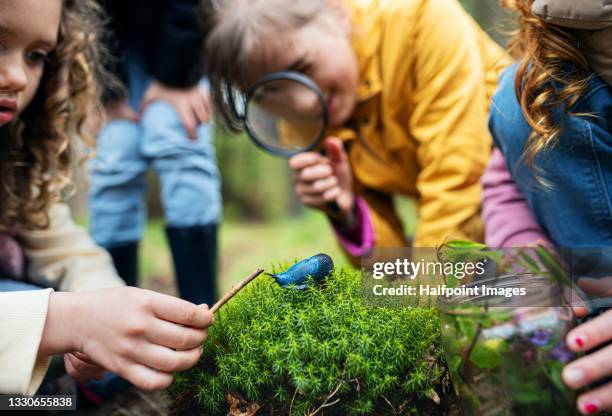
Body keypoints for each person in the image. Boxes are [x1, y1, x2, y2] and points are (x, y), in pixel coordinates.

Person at [0, 0, 212, 395]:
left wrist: (105, 305)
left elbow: (61, 245)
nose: (17, 76)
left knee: (74, 386)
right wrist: (69, 322)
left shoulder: (14, 156)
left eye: (36, 56)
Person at [202, 0, 511, 265]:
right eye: (268, 93)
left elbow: (459, 181)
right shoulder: (301, 125)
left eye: (302, 68)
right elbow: (392, 264)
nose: (305, 102)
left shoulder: (420, 19)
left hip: (539, 184)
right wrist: (348, 215)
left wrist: (426, 303)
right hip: (477, 229)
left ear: (336, 12)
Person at [481, 0, 612, 413]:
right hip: (586, 306)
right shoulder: (539, 76)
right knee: (520, 102)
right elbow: (505, 178)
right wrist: (527, 258)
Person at [88, 0, 222, 305]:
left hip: (179, 37)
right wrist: (104, 90)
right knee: (114, 156)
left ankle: (205, 310)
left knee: (176, 137)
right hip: (103, 46)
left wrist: (177, 76)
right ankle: (111, 312)